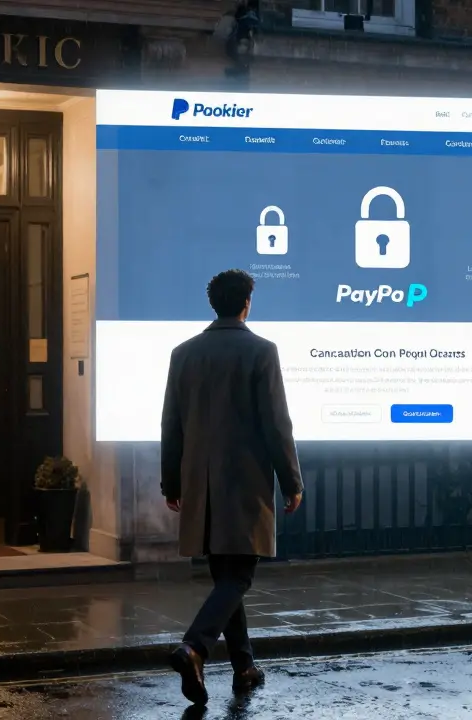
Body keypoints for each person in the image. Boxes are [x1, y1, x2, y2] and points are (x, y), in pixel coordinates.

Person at [160, 268, 304, 706]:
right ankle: (194, 646)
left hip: (201, 485)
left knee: (227, 576)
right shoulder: (261, 351)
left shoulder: (183, 353)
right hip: (245, 482)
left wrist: (171, 480)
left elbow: (171, 423)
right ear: (246, 303)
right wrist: (291, 481)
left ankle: (244, 667)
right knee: (238, 575)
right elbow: (276, 424)